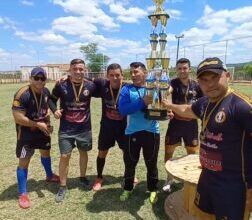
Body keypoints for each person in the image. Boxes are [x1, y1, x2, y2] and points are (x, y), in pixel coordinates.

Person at [162, 57, 252, 219]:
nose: (209, 84)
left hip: (233, 184)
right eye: (204, 80)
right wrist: (170, 106)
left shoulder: (241, 106)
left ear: (227, 76)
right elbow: (187, 109)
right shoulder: (205, 102)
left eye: (215, 78)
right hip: (207, 177)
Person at [49, 59, 96, 203]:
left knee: (84, 152)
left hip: (84, 128)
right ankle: (63, 186)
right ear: (70, 70)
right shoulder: (61, 84)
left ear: (85, 70)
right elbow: (51, 99)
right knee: (64, 156)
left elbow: (108, 84)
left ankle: (82, 177)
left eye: (81, 69)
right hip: (66, 128)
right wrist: (54, 110)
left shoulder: (91, 85)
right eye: (75, 69)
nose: (78, 72)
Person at [12, 67, 59, 209]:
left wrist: (48, 125)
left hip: (42, 129)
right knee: (24, 162)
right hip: (26, 134)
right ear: (30, 79)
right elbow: (18, 117)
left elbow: (46, 109)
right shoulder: (22, 94)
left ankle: (49, 175)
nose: (39, 81)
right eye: (36, 78)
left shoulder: (45, 91)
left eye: (42, 78)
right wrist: (37, 124)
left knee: (45, 152)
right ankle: (23, 193)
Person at [92, 63, 139, 191]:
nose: (114, 78)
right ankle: (99, 177)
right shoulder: (102, 84)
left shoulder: (128, 88)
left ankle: (129, 175)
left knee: (127, 152)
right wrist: (66, 78)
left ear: (122, 75)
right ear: (107, 76)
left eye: (117, 75)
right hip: (106, 126)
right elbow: (84, 79)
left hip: (124, 127)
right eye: (111, 75)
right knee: (102, 152)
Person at [118, 62, 159, 204]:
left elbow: (160, 105)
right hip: (132, 132)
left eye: (136, 72)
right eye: (132, 72)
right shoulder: (126, 89)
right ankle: (128, 188)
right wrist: (142, 102)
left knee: (151, 163)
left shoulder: (154, 88)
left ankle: (153, 189)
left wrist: (167, 113)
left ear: (145, 73)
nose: (133, 75)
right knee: (130, 163)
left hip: (152, 131)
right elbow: (123, 110)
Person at [163, 58, 203, 192]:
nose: (182, 71)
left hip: (191, 125)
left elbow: (204, 103)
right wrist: (168, 108)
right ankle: (169, 179)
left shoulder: (197, 86)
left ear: (189, 69)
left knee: (192, 154)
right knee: (169, 152)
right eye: (179, 68)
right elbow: (167, 92)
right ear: (176, 69)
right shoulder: (172, 83)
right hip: (175, 123)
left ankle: (190, 180)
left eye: (185, 68)